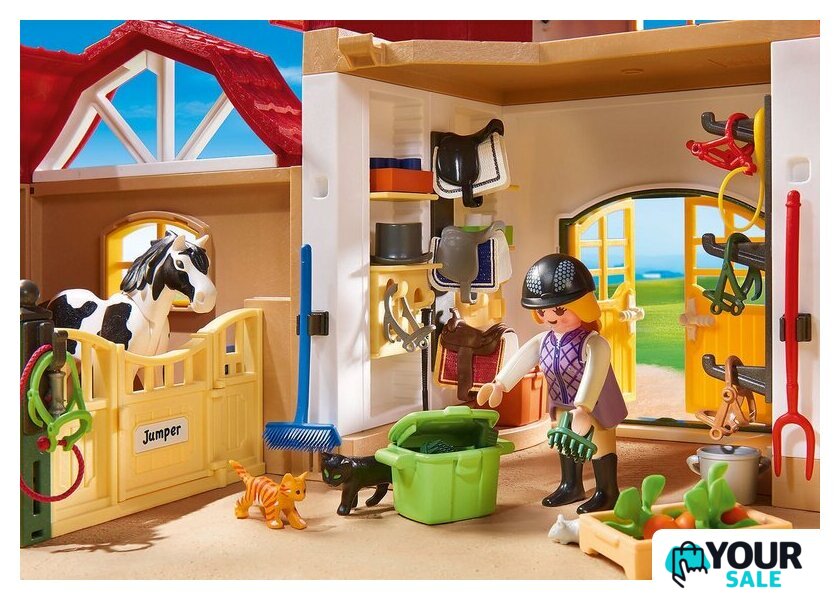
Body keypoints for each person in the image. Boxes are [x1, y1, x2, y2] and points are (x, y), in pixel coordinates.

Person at [477, 253, 627, 513]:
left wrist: (584, 407)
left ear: (582, 306)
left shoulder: (594, 343)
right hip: (561, 402)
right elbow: (523, 358)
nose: (552, 317)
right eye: (543, 311)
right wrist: (500, 384)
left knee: (599, 444)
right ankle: (571, 485)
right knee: (565, 441)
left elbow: (595, 373)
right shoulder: (545, 340)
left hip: (596, 405)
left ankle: (607, 491)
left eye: (560, 310)